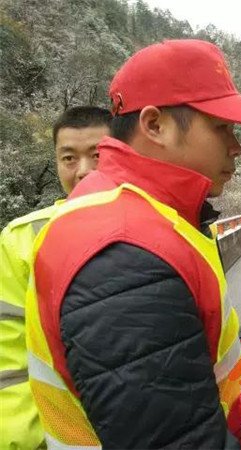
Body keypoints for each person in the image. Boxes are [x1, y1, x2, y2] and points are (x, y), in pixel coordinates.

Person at [25, 39, 241, 448]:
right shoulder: (122, 252)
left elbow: (182, 329)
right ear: (154, 125)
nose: (237, 147)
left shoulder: (145, 214)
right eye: (221, 127)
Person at [0, 106, 111, 449]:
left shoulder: (161, 223)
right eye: (69, 158)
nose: (84, 171)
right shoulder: (23, 239)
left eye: (97, 155)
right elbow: (8, 360)